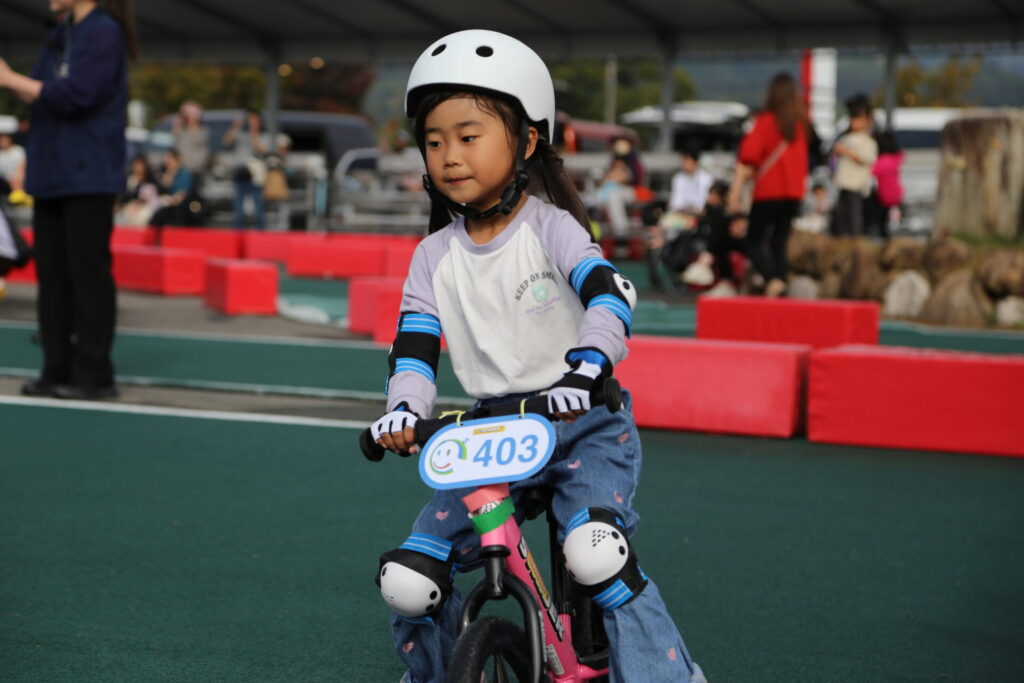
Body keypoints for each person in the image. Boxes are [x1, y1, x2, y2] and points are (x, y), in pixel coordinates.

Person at [369, 29, 706, 683]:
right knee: (410, 580)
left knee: (596, 551)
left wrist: (589, 364)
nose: (449, 155)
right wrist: (403, 410)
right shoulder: (433, 256)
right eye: (434, 141)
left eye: (469, 135)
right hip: (494, 429)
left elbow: (609, 294)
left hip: (584, 419)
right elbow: (414, 346)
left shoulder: (552, 227)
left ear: (526, 141)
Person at [0, 0, 138, 400]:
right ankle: (56, 367)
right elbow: (38, 91)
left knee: (87, 277)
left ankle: (94, 373)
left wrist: (10, 78)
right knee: (53, 278)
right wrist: (13, 81)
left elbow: (78, 94)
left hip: (87, 174)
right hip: (52, 175)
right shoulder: (63, 32)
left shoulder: (104, 31)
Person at [728, 72, 809, 298]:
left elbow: (748, 156)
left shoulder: (766, 122)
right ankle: (781, 284)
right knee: (778, 242)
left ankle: (772, 280)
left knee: (754, 239)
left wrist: (735, 192)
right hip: (793, 193)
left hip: (768, 191)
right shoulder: (800, 125)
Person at [831, 94, 878, 238]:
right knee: (841, 214)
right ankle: (842, 238)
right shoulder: (846, 137)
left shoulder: (868, 140)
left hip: (856, 184)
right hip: (843, 182)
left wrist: (846, 152)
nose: (854, 122)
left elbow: (866, 159)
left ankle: (855, 239)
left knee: (854, 215)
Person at [222, 108, 268, 229]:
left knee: (258, 210)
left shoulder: (264, 135)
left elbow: (262, 150)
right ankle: (238, 235)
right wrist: (236, 127)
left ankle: (261, 234)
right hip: (240, 173)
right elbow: (226, 142)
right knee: (238, 211)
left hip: (256, 176)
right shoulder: (241, 134)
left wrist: (253, 134)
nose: (251, 122)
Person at [149, 149, 196, 229]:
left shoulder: (185, 174)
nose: (167, 163)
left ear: (177, 160)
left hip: (179, 207)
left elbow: (181, 195)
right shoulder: (164, 174)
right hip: (163, 204)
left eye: (169, 161)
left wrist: (169, 200)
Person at [871, 130, 904, 239]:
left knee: (882, 223)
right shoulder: (896, 159)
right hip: (896, 194)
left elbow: (871, 171)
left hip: (885, 196)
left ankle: (885, 239)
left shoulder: (882, 161)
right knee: (893, 222)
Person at [116, 153, 159, 226]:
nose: (138, 168)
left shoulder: (150, 180)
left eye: (140, 165)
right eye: (136, 165)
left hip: (145, 208)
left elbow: (157, 194)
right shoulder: (130, 180)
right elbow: (124, 198)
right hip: (129, 207)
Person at [171, 99, 210, 174]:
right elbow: (175, 146)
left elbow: (198, 140)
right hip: (181, 167)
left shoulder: (202, 131)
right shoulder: (181, 130)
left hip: (194, 168)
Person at [0, 131, 26, 195]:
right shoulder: (1, 154)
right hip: (6, 181)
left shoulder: (18, 150)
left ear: (9, 140)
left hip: (21, 177)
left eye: (4, 140)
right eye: (1, 140)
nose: (2, 142)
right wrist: (9, 180)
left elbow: (24, 163)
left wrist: (19, 176)